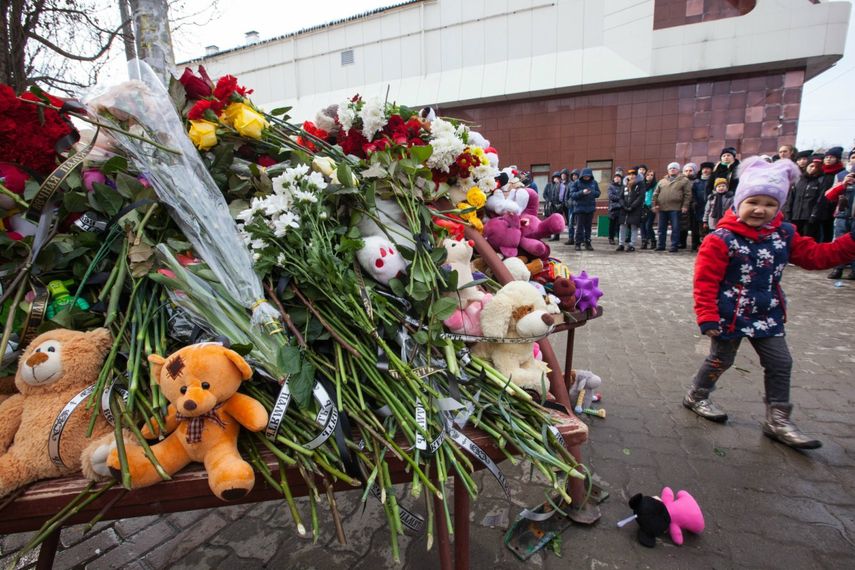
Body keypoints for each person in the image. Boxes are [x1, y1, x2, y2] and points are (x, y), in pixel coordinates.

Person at [686, 156, 855, 449]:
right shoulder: (721, 239)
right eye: (753, 201)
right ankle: (697, 395)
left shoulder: (784, 234)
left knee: (780, 362)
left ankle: (778, 420)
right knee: (721, 359)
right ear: (739, 203)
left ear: (779, 207)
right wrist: (707, 316)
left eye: (769, 203)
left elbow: (817, 257)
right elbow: (705, 280)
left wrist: (851, 242)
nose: (760, 209)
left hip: (768, 313)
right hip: (730, 314)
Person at [826, 159, 855, 280]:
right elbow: (829, 195)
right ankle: (838, 268)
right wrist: (843, 183)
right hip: (842, 215)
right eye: (853, 156)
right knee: (839, 242)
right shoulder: (841, 175)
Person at [653, 162, 691, 252]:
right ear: (668, 170)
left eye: (674, 168)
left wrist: (685, 206)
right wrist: (654, 204)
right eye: (670, 168)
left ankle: (674, 246)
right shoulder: (662, 181)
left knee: (675, 228)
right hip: (662, 208)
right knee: (661, 228)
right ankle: (661, 245)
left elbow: (688, 194)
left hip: (676, 208)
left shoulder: (684, 180)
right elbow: (655, 194)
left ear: (678, 170)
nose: (672, 169)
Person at [783, 155, 824, 239]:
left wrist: (814, 215)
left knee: (807, 239)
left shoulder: (821, 181)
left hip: (809, 218)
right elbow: (791, 198)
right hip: (795, 216)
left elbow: (820, 200)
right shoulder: (799, 180)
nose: (813, 168)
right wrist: (788, 213)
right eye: (811, 166)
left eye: (816, 167)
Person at [569, 168, 600, 250]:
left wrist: (592, 192)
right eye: (585, 176)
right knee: (579, 227)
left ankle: (588, 243)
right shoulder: (576, 183)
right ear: (582, 176)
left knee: (588, 227)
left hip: (590, 208)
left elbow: (598, 193)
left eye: (588, 176)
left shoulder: (594, 183)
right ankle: (578, 244)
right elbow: (572, 195)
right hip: (579, 209)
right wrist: (582, 192)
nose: (587, 177)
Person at [616, 177, 643, 252]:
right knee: (622, 226)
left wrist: (632, 206)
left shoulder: (638, 187)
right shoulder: (624, 187)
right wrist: (623, 205)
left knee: (633, 227)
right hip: (624, 210)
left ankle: (632, 244)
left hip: (634, 210)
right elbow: (620, 197)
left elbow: (640, 198)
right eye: (628, 180)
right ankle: (621, 244)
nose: (629, 181)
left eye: (631, 180)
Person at [543, 172, 563, 241]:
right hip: (549, 206)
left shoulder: (561, 185)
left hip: (557, 206)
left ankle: (556, 236)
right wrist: (548, 200)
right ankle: (548, 234)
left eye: (557, 177)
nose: (556, 179)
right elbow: (544, 194)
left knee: (557, 221)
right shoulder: (549, 185)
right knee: (548, 220)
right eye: (555, 177)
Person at [640, 170, 657, 249]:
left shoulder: (655, 185)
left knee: (648, 225)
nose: (649, 176)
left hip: (651, 207)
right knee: (642, 225)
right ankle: (644, 242)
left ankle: (653, 241)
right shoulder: (642, 185)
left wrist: (654, 205)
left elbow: (656, 196)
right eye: (648, 175)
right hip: (642, 208)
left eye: (651, 175)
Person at [607, 172, 624, 245]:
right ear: (614, 179)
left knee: (620, 225)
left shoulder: (623, 187)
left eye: (619, 177)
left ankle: (620, 239)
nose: (617, 178)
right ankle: (611, 238)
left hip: (621, 208)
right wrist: (619, 198)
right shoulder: (611, 186)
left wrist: (621, 200)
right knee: (612, 225)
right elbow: (611, 196)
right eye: (616, 177)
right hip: (613, 209)